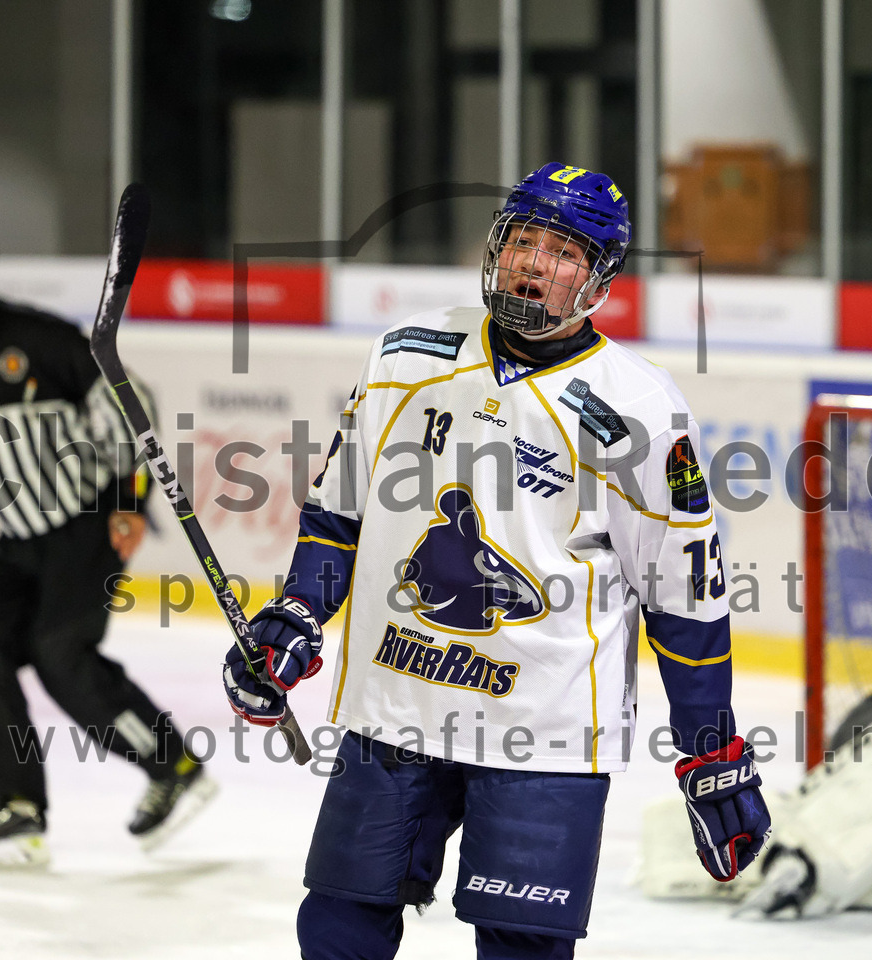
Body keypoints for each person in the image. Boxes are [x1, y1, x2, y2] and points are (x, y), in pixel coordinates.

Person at [223, 163, 771, 957]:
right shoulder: (405, 356)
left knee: (522, 947)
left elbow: (683, 596)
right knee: (337, 927)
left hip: (543, 733)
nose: (533, 264)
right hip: (396, 707)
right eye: (523, 241)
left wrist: (710, 748)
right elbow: (340, 513)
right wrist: (297, 614)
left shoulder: (640, 410)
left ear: (600, 280)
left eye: (564, 253)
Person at [0, 215, 216, 868]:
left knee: (59, 652)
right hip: (19, 539)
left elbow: (130, 404)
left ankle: (173, 765)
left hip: (85, 523)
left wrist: (130, 501)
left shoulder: (40, 340)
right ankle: (17, 808)